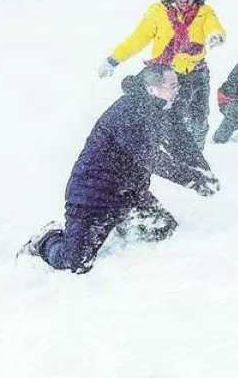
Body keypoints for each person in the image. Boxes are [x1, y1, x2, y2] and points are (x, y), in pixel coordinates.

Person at [21, 65, 220, 273]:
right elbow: (150, 158)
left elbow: (182, 143)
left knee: (164, 229)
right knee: (77, 262)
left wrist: (205, 173)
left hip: (130, 194)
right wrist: (192, 181)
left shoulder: (163, 110)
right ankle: (47, 239)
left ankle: (122, 223)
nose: (177, 89)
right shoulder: (128, 112)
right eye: (172, 85)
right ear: (152, 89)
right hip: (94, 196)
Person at [99, 0, 226, 150]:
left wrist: (216, 36)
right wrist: (113, 60)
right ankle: (180, 156)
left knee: (200, 121)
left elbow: (214, 27)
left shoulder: (204, 11)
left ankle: (198, 155)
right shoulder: (157, 12)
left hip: (198, 74)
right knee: (179, 120)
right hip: (169, 76)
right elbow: (137, 39)